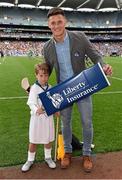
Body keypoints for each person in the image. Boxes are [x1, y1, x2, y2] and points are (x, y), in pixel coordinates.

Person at [42, 7, 112, 172]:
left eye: (59, 22)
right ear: (49, 25)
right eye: (53, 23)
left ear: (65, 21)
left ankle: (86, 154)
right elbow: (47, 70)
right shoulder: (47, 47)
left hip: (83, 87)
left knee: (87, 122)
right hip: (64, 91)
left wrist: (105, 66)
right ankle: (67, 151)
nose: (57, 25)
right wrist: (38, 87)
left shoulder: (80, 37)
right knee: (65, 124)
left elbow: (96, 56)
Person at [21, 63, 57, 172]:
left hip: (48, 118)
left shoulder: (50, 88)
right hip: (37, 119)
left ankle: (48, 157)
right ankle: (30, 160)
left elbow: (53, 102)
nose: (43, 78)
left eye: (46, 75)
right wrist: (37, 110)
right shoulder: (34, 88)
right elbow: (31, 103)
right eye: (41, 75)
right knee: (33, 140)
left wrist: (56, 111)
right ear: (36, 75)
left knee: (48, 139)